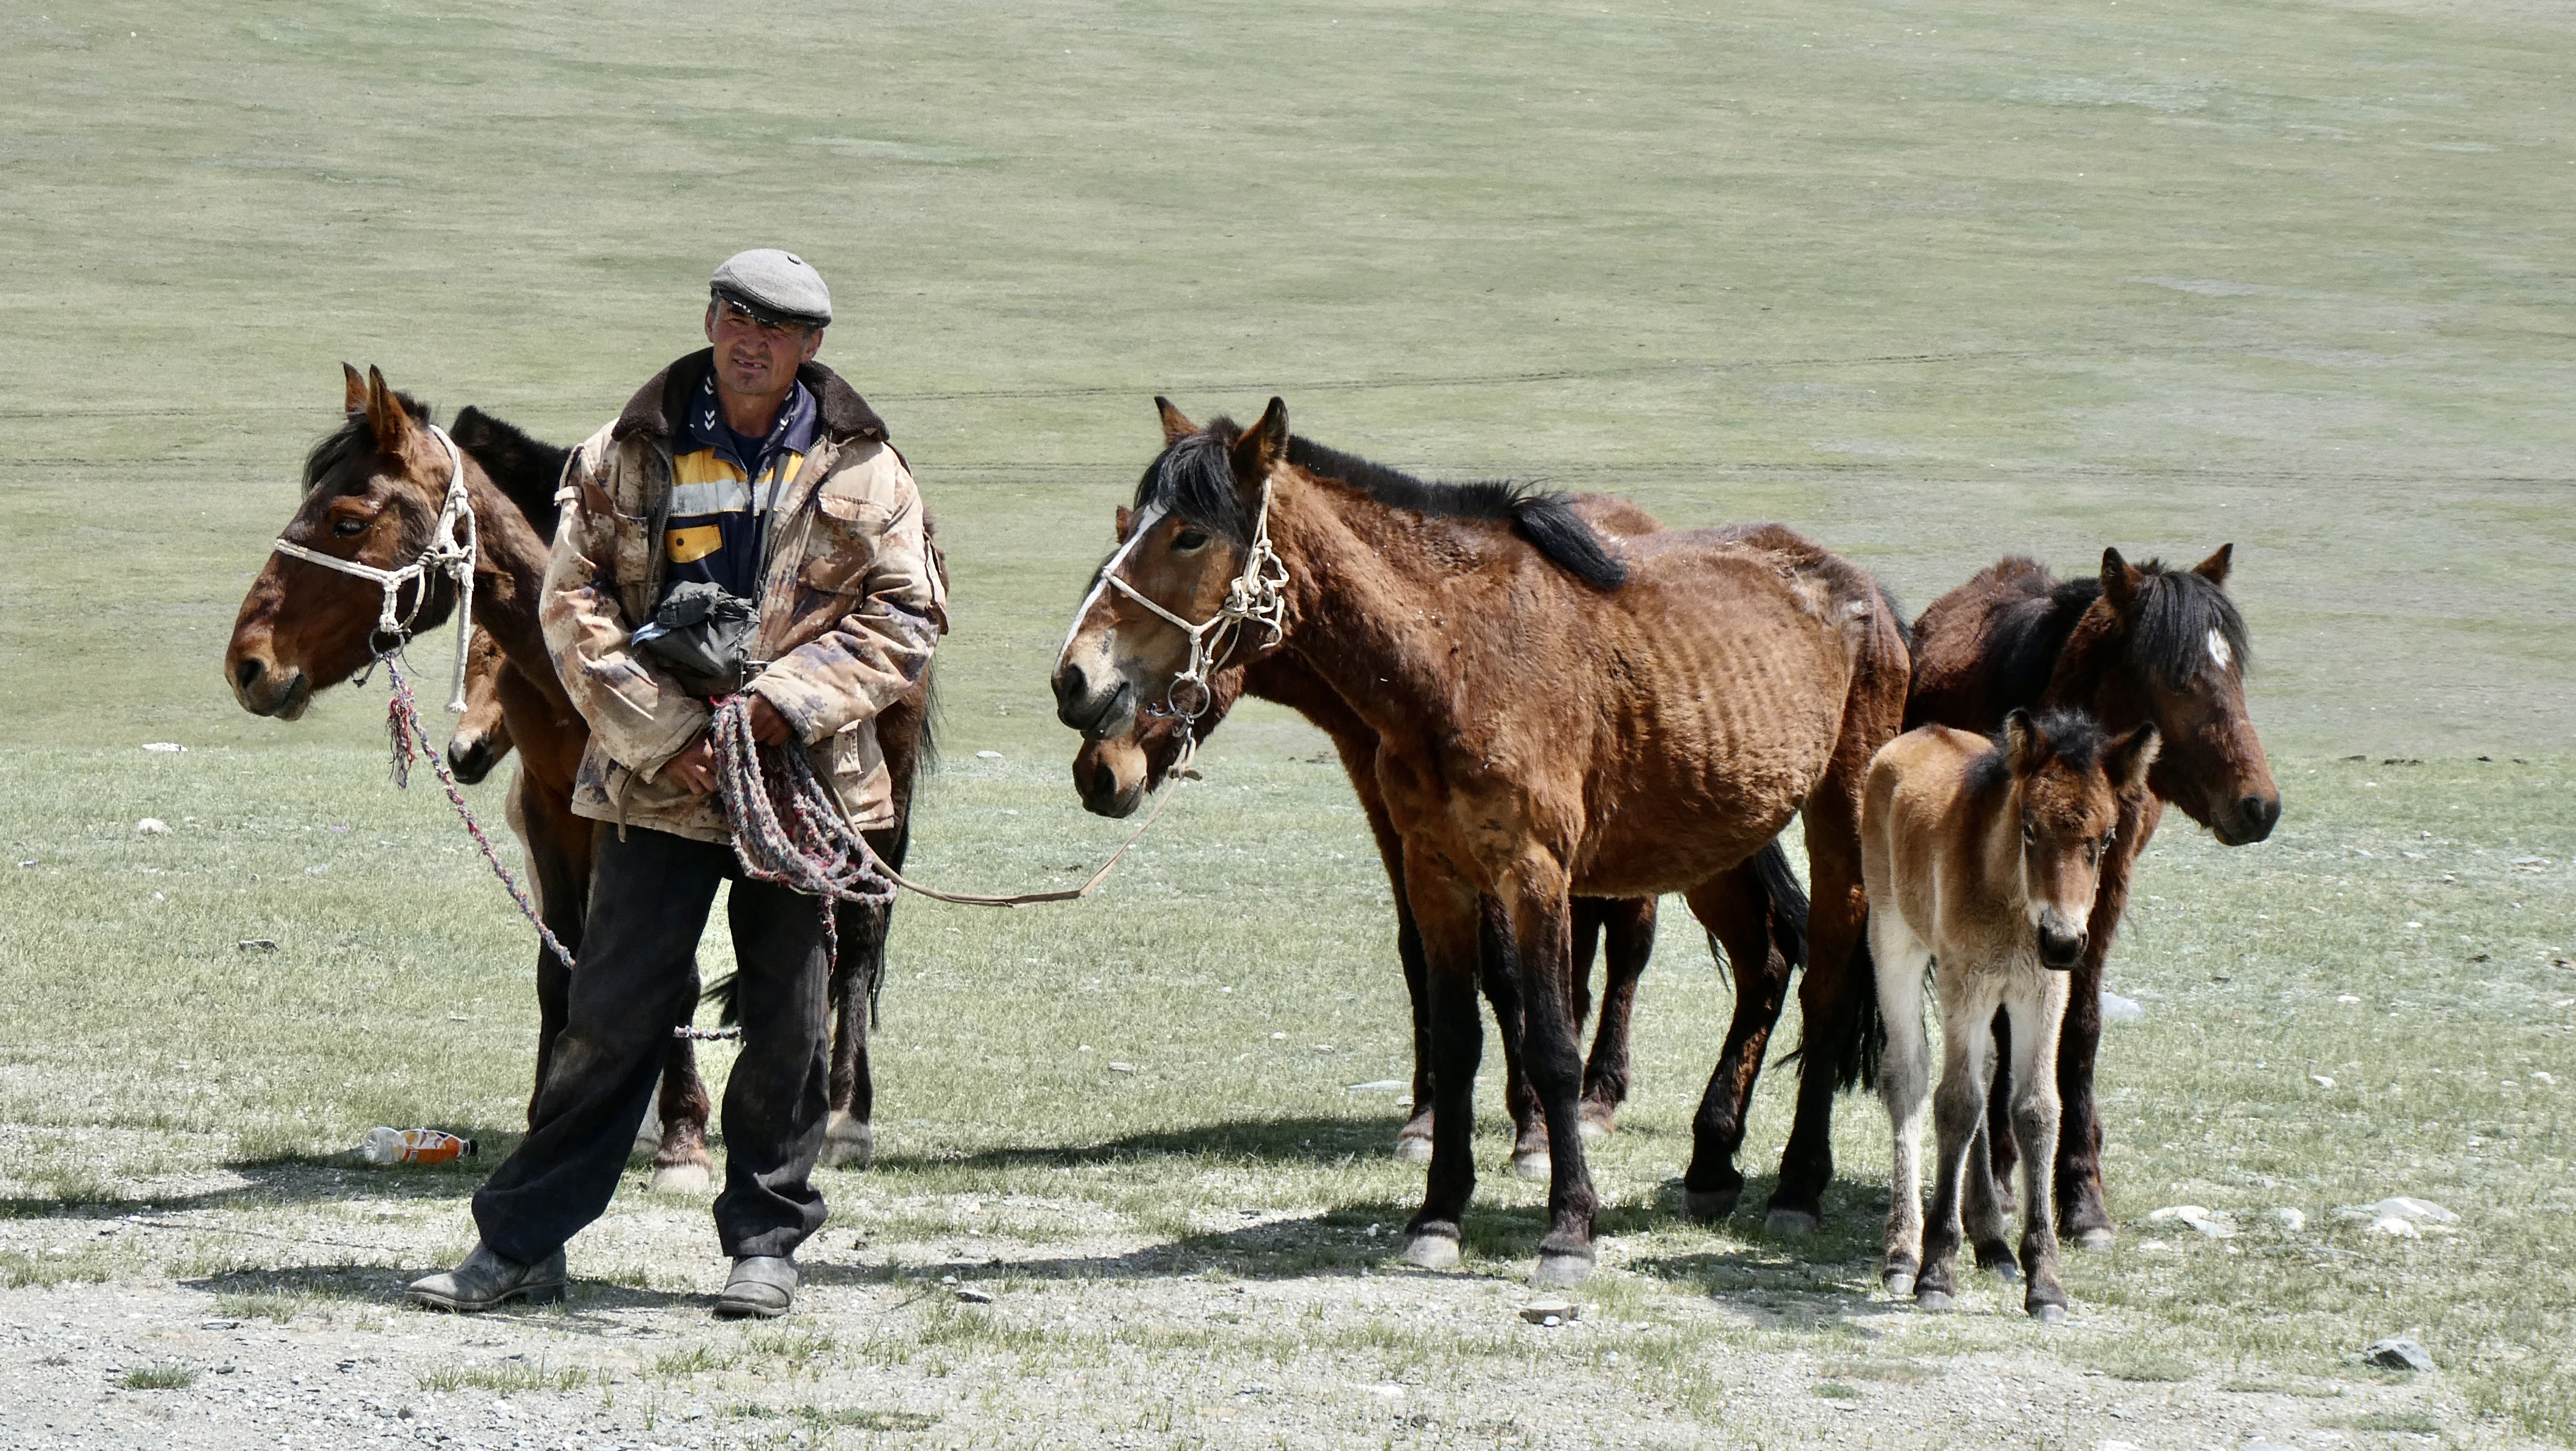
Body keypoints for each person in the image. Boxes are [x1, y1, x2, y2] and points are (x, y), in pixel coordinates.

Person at [408, 249, 944, 1318]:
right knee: (610, 1011)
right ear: (710, 318)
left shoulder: (869, 472)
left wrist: (776, 710)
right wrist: (669, 733)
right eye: (736, 316)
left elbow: (908, 618)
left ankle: (767, 1241)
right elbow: (574, 602)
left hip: (801, 786)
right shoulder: (629, 453)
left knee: (789, 1021)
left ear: (811, 347)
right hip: (657, 787)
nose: (752, 339)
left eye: (778, 328)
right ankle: (520, 1242)